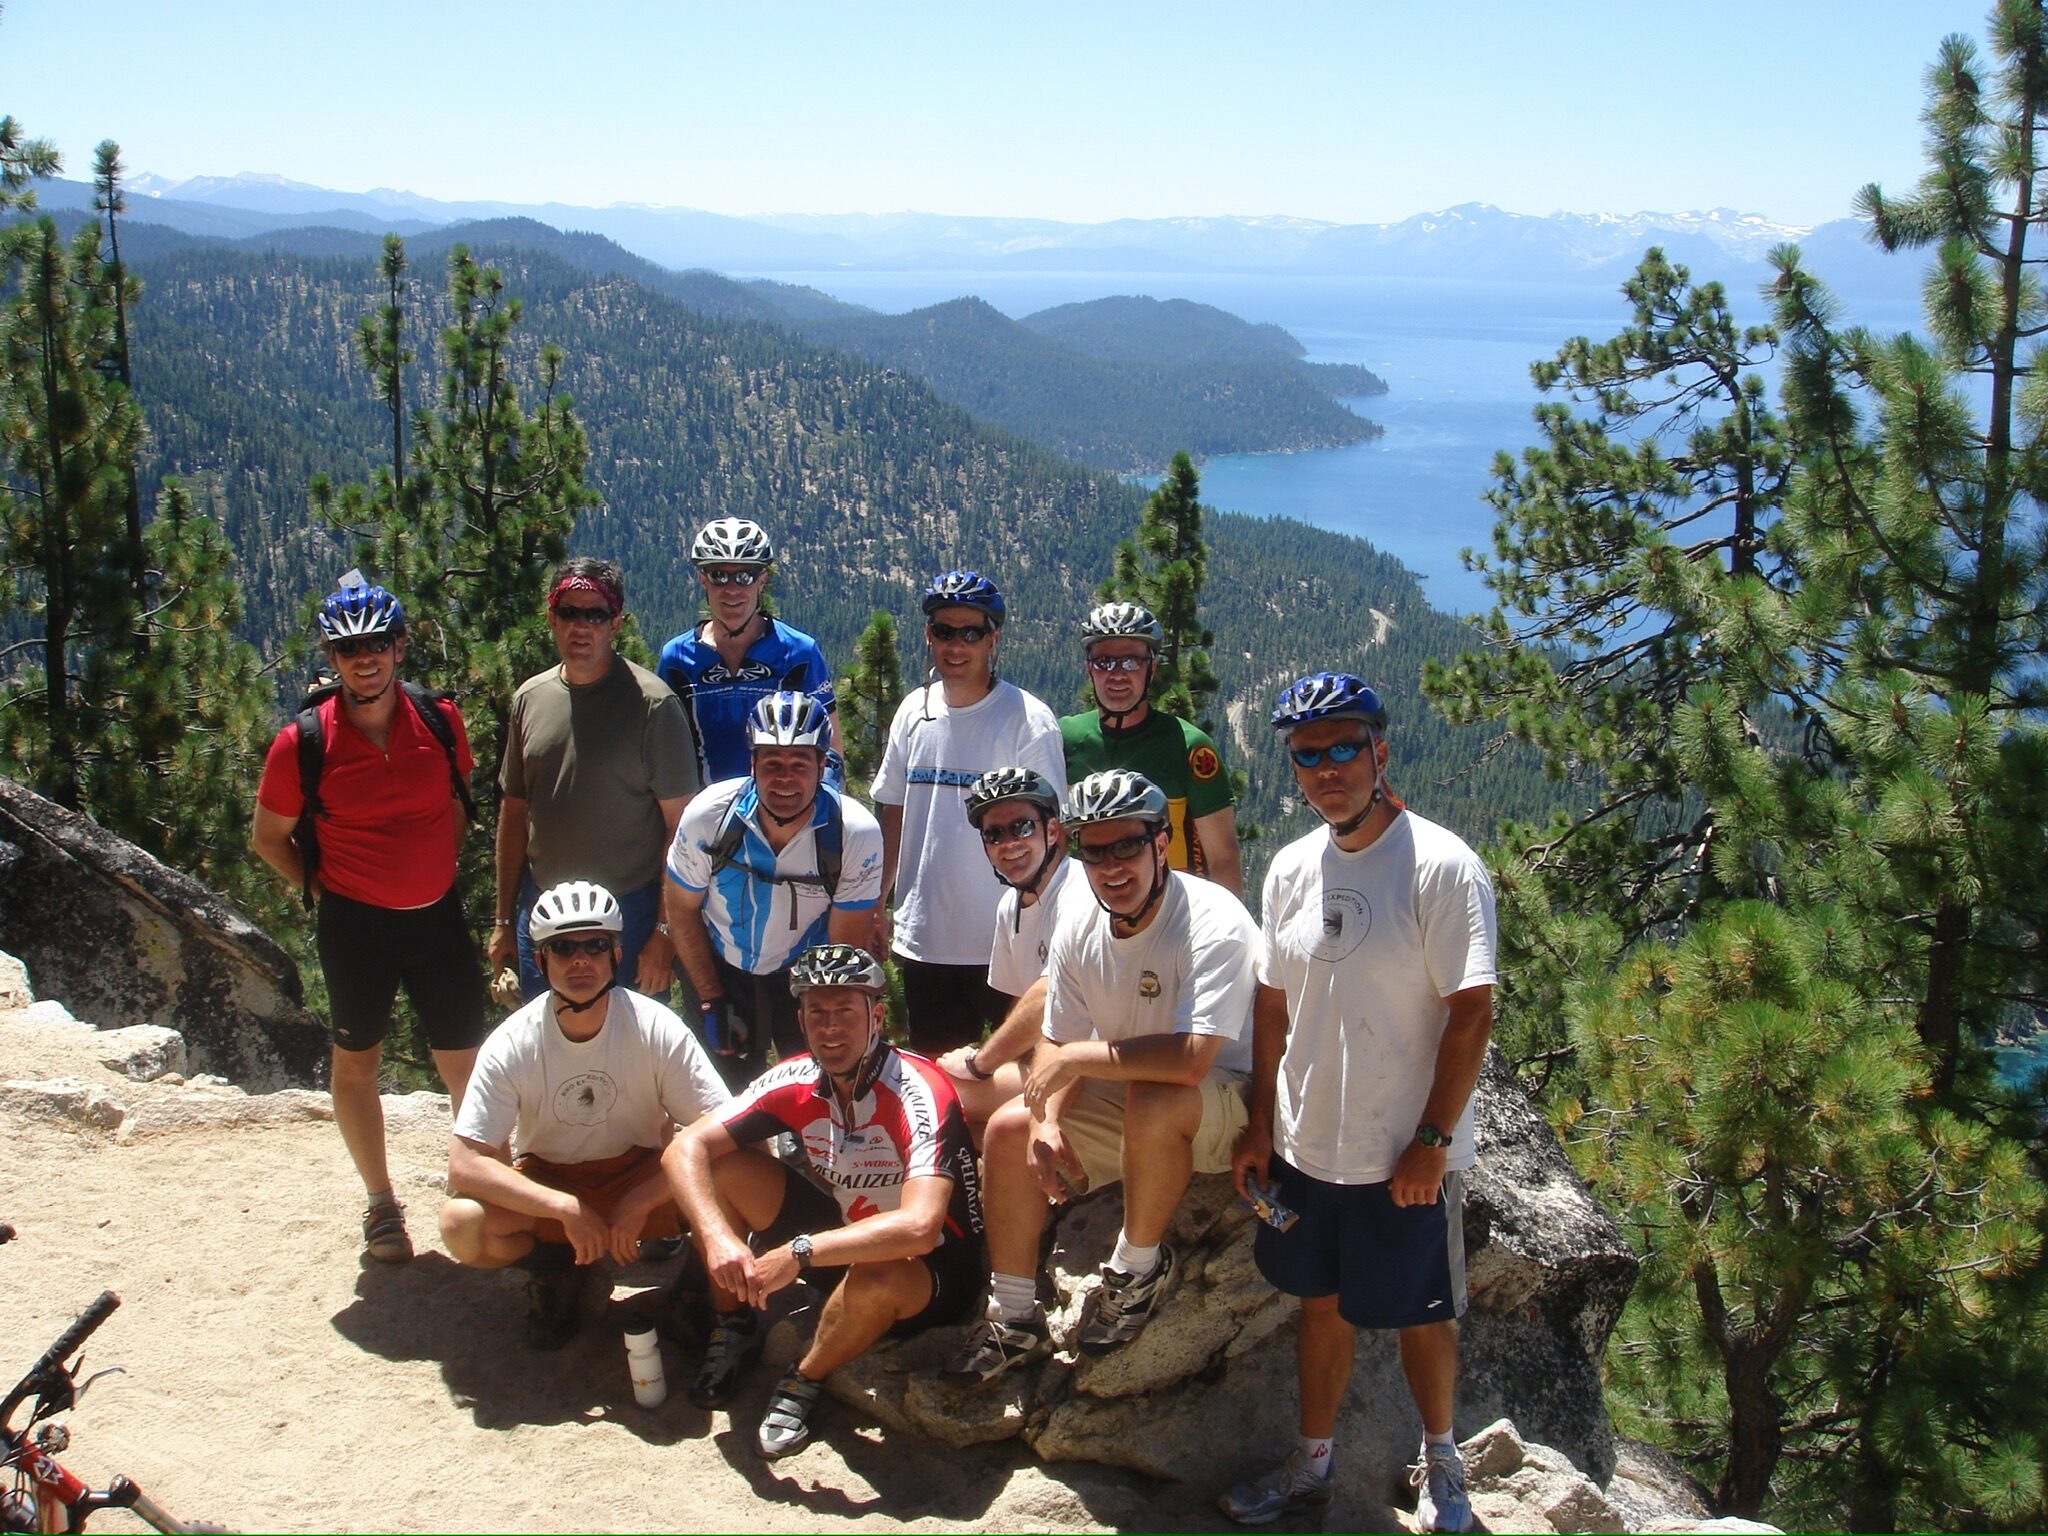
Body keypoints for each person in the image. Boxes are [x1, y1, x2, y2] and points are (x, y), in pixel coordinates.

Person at [1218, 674, 1496, 1533]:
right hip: (1309, 1144)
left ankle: (1443, 1463)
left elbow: (1472, 1011)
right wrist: (1261, 1125)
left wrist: (1432, 1141)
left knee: (1424, 1313)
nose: (1326, 768)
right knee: (1320, 1306)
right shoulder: (1293, 868)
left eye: (1344, 748)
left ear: (1381, 752)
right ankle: (1312, 1467)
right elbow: (1273, 1003)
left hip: (1402, 1150)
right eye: (1308, 755)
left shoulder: (1441, 866)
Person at [945, 769, 1257, 1383]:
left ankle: (1137, 1270)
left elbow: (1192, 1059)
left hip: (1225, 1095)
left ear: (1160, 843)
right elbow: (1059, 1035)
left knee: (1155, 1100)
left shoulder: (1212, 919)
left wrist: (1077, 1060)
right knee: (1009, 1129)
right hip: (1133, 1090)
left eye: (1127, 846)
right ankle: (1013, 1316)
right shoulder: (1081, 922)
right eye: (1095, 851)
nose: (1111, 866)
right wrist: (1047, 1121)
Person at [662, 943, 984, 1460]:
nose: (830, 1028)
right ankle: (733, 1326)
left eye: (845, 1011)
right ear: (801, 1020)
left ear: (876, 1017)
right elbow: (685, 1149)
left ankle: (805, 1376)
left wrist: (799, 1253)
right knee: (724, 1169)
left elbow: (921, 1227)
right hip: (841, 1239)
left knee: (879, 1273)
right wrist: (719, 1238)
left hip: (933, 1269)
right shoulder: (796, 1078)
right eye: (817, 1012)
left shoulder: (918, 1089)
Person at [249, 579, 488, 1265]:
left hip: (436, 918)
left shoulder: (439, 720)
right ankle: (381, 1204)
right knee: (357, 1063)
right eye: (349, 648)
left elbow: (456, 802)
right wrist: (327, 888)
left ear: (399, 646)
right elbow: (268, 839)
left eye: (376, 644)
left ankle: (477, 1186)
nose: (364, 659)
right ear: (331, 657)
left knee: (466, 1064)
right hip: (356, 928)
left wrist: (433, 865)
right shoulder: (301, 743)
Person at [440, 882, 730, 1350]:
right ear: (541, 960)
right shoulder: (512, 1043)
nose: (580, 961)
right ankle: (560, 1273)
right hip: (552, 1179)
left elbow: (725, 1130)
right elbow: (464, 1163)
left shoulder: (655, 1027)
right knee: (463, 1224)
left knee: (739, 1175)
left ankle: (693, 1291)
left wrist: (643, 1198)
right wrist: (562, 1207)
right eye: (563, 948)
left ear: (616, 955)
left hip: (641, 1171)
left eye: (595, 946)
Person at [872, 570, 1065, 1056]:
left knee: (1020, 1077)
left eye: (971, 633)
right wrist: (876, 901)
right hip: (926, 937)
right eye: (944, 631)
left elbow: (1054, 831)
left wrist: (1049, 921)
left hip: (1009, 941)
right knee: (939, 1080)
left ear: (993, 639)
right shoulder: (912, 712)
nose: (956, 645)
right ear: (928, 635)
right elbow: (893, 811)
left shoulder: (1028, 720)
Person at [492, 557, 702, 1002]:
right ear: (551, 618)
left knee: (632, 1040)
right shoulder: (530, 700)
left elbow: (681, 830)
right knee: (547, 1035)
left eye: (596, 615)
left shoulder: (653, 706)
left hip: (630, 912)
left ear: (616, 623)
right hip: (543, 907)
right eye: (569, 612)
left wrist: (664, 933)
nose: (581, 627)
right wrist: (504, 921)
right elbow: (513, 812)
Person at [663, 691, 883, 1086]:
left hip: (805, 973)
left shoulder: (853, 833)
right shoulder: (708, 816)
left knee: (814, 1096)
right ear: (752, 764)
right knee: (721, 1099)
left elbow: (843, 947)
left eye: (800, 763)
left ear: (822, 765)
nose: (784, 778)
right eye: (771, 763)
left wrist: (824, 1020)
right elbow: (681, 908)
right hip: (721, 965)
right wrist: (711, 1000)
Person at [933, 767, 1091, 1135]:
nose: (1008, 844)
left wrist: (979, 1065)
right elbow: (1020, 1003)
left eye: (1021, 827)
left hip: (1086, 1066)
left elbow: (1047, 996)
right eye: (994, 834)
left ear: (1052, 831)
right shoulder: (1010, 906)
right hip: (1048, 1062)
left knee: (942, 1096)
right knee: (935, 1090)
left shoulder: (1080, 893)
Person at [1059, 601, 1243, 896]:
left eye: (1131, 661)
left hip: (1176, 908)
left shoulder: (1188, 746)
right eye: (1104, 662)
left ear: (1152, 667)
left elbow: (1223, 857)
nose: (1117, 674)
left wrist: (1228, 922)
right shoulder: (1064, 739)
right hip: (1092, 907)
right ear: (1088, 669)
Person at [656, 517, 842, 786]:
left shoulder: (799, 653)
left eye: (745, 576)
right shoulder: (676, 659)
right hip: (702, 807)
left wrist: (823, 803)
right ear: (702, 579)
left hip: (783, 804)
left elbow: (831, 748)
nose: (732, 589)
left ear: (762, 579)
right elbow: (663, 749)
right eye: (719, 576)